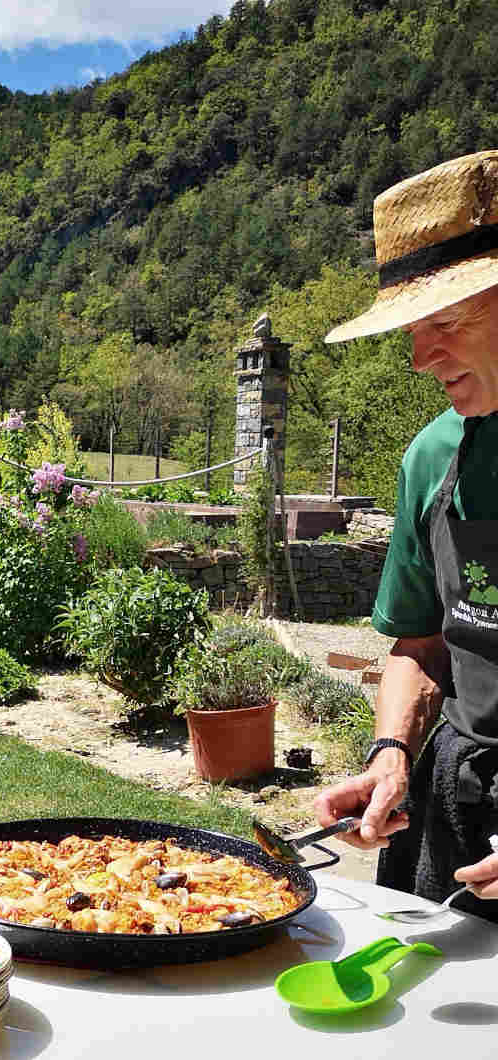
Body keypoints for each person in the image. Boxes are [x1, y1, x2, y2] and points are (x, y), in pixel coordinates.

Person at [314, 150, 498, 917]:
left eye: (446, 322)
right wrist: (391, 754)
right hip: (456, 799)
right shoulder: (432, 456)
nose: (422, 359)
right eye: (412, 331)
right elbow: (419, 645)